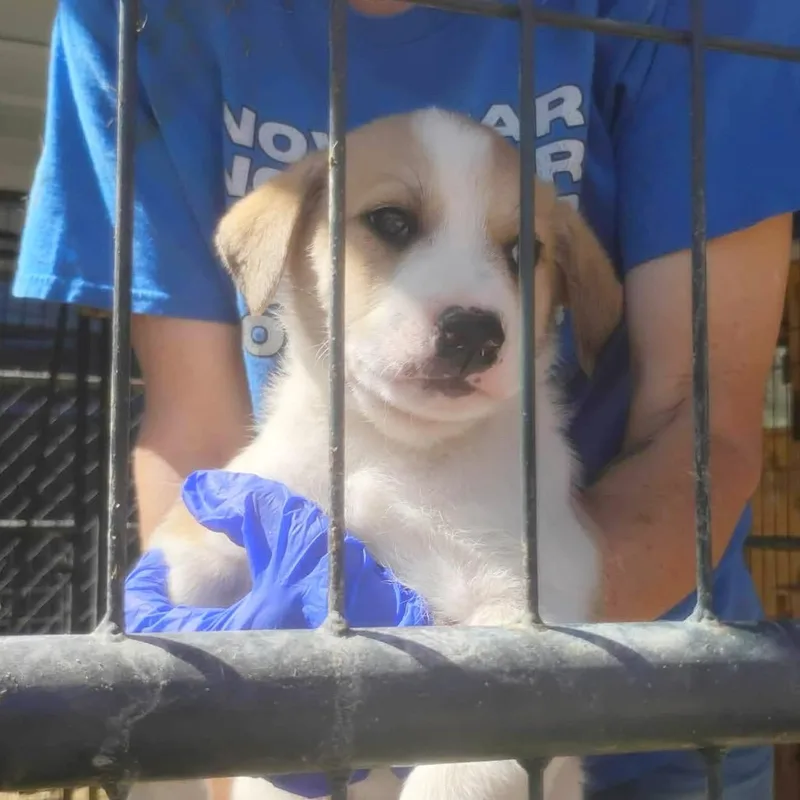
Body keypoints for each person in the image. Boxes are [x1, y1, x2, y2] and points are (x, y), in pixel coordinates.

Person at [12, 0, 800, 797]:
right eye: (390, 221)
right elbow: (192, 453)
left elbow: (699, 420)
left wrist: (508, 645)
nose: (470, 312)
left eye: (519, 251)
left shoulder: (523, 495)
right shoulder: (135, 20)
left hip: (660, 724)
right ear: (288, 249)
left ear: (566, 292)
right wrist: (195, 726)